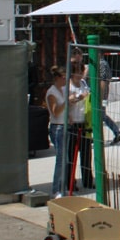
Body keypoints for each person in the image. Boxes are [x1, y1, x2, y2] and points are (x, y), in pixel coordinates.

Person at [67, 66, 92, 191]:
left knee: (86, 154)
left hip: (84, 122)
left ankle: (88, 180)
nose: (79, 75)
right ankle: (70, 182)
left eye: (81, 72)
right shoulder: (69, 86)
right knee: (71, 156)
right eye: (77, 72)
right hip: (73, 123)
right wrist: (79, 97)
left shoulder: (83, 83)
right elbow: (68, 101)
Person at [92, 55, 120, 145]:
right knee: (98, 114)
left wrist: (100, 97)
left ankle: (117, 132)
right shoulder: (100, 64)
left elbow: (103, 81)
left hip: (101, 96)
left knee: (101, 114)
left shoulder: (102, 64)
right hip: (101, 95)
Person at [45, 66, 67, 198]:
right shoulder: (51, 92)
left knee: (65, 159)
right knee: (60, 159)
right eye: (64, 77)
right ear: (58, 78)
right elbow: (55, 111)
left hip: (64, 125)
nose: (66, 79)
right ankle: (56, 189)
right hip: (57, 128)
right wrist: (67, 102)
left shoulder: (62, 90)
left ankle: (62, 187)